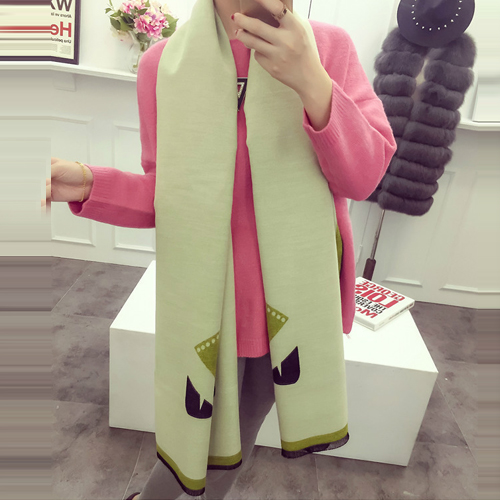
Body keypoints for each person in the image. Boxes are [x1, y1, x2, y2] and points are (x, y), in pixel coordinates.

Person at [49, 0, 397, 499]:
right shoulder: (162, 66)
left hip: (295, 303)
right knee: (193, 440)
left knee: (233, 445)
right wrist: (86, 184)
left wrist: (310, 79)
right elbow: (167, 197)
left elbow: (363, 177)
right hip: (207, 301)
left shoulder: (327, 48)